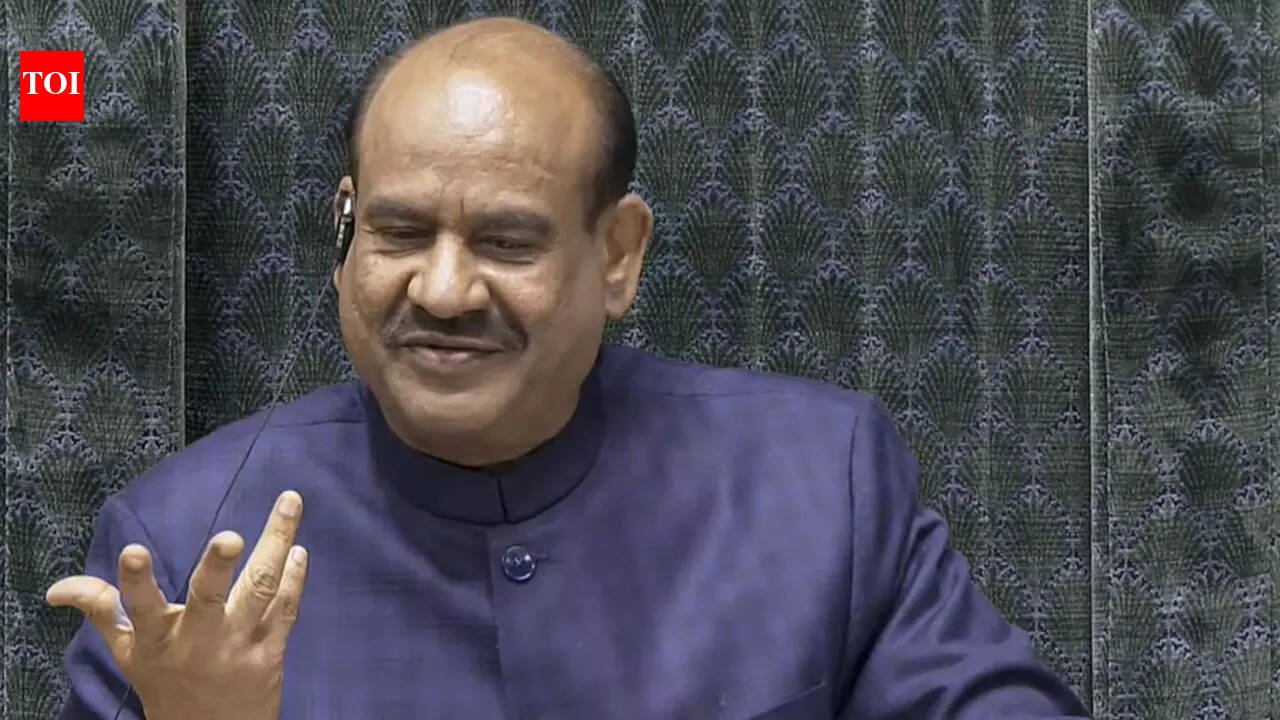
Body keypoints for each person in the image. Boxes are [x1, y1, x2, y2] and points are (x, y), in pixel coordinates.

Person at [47, 16, 1091, 720]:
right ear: (345, 231)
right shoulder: (179, 544)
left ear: (618, 254)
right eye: (399, 233)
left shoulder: (819, 484)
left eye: (506, 243)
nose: (442, 291)